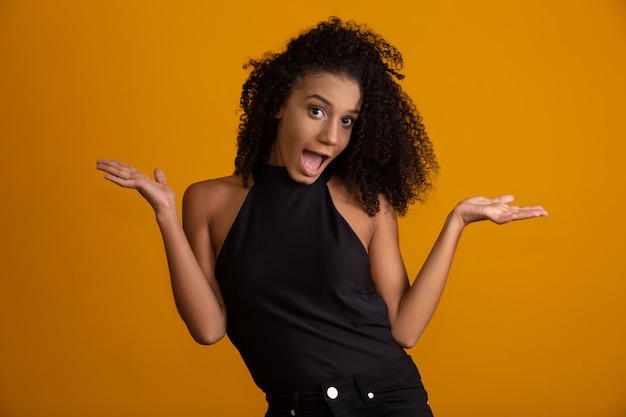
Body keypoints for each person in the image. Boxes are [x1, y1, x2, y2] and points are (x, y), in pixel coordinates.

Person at [96, 17, 547, 417]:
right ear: (278, 105)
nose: (331, 136)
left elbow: (405, 330)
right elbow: (208, 329)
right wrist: (166, 217)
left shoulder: (366, 202)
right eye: (316, 111)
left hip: (386, 400)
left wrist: (456, 223)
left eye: (347, 120)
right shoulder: (209, 201)